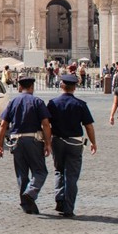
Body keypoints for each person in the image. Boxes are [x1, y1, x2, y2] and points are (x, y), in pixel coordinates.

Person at [0, 75, 52, 215]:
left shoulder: (13, 102)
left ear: (20, 87)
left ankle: (27, 205)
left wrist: (0, 145)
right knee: (40, 171)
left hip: (16, 141)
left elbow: (3, 125)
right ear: (32, 87)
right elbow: (45, 124)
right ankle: (30, 192)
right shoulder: (37, 102)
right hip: (33, 140)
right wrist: (48, 143)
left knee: (22, 174)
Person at [47, 74, 97, 218]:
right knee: (72, 176)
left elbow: (46, 125)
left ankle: (59, 199)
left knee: (59, 171)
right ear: (74, 88)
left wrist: (47, 142)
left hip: (57, 141)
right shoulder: (80, 104)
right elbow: (89, 126)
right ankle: (68, 208)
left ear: (61, 85)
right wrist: (93, 142)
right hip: (75, 142)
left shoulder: (52, 103)